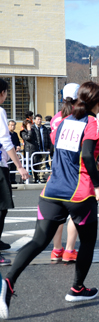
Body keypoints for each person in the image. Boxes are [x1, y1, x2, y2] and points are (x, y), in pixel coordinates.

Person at [0, 81, 99, 320]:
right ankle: (77, 288)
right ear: (97, 102)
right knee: (88, 242)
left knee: (39, 241)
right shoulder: (92, 123)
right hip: (79, 193)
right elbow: (88, 155)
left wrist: (89, 162)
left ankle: (8, 281)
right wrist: (98, 185)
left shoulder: (61, 122)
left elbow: (62, 155)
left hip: (51, 191)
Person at [48, 82, 81, 263]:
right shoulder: (80, 118)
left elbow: (53, 141)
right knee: (76, 212)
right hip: (75, 170)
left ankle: (56, 249)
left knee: (58, 214)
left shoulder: (56, 118)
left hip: (57, 167)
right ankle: (69, 250)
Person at [0, 79, 29, 263]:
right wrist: (19, 166)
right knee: (2, 207)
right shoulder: (0, 111)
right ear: (2, 93)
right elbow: (6, 140)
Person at [33, 114, 51, 182]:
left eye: (40, 119)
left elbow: (48, 138)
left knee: (43, 163)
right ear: (34, 120)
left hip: (43, 148)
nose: (39, 121)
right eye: (38, 119)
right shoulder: (32, 128)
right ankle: (36, 177)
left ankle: (42, 177)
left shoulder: (44, 128)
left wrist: (48, 147)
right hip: (36, 149)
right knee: (36, 163)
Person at [7, 120, 21, 184]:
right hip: (8, 153)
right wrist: (15, 147)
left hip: (15, 153)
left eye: (14, 125)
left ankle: (13, 179)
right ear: (8, 126)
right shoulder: (6, 134)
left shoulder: (15, 134)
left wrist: (18, 146)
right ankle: (8, 180)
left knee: (14, 166)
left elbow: (18, 142)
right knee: (8, 166)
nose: (13, 126)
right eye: (11, 125)